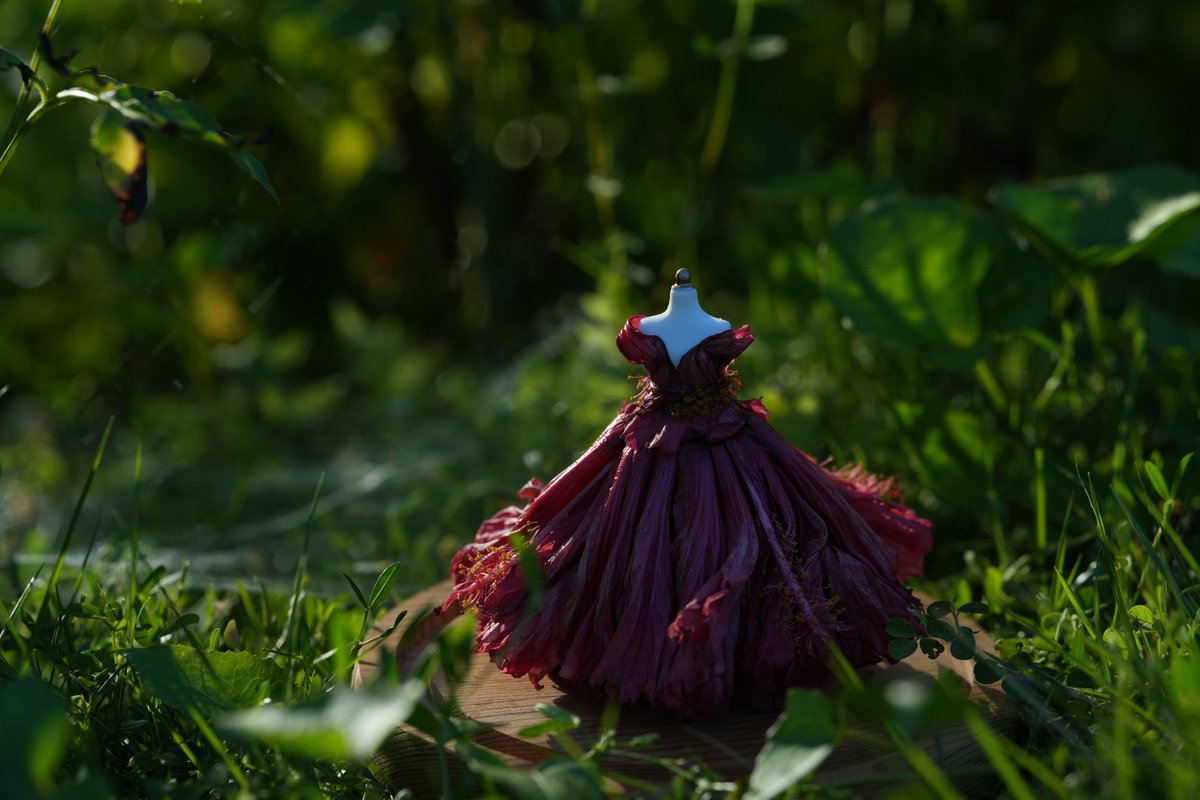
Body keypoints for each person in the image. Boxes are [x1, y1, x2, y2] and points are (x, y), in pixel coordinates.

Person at [442, 271, 932, 716]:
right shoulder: (650, 329)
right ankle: (645, 653)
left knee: (764, 528)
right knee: (618, 534)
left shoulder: (713, 325)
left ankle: (718, 652)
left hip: (730, 442)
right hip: (645, 445)